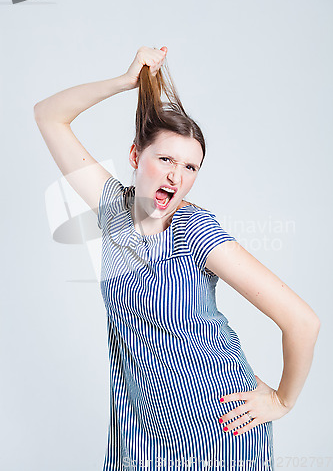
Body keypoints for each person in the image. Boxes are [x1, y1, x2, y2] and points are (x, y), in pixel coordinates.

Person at [34, 46, 321, 471]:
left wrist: (282, 399)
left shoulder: (194, 231)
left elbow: (303, 321)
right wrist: (122, 82)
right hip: (140, 430)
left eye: (190, 167)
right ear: (136, 157)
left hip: (219, 427)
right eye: (166, 159)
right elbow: (48, 115)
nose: (176, 176)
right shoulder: (114, 209)